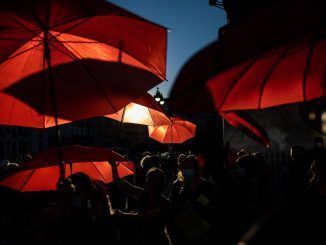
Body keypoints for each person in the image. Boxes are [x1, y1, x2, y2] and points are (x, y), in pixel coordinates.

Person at [113, 167, 171, 245]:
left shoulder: (164, 203)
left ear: (161, 182)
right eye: (149, 177)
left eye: (155, 178)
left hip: (157, 241)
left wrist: (123, 214)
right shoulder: (143, 194)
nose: (151, 180)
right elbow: (122, 184)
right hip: (140, 239)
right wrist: (113, 166)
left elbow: (146, 217)